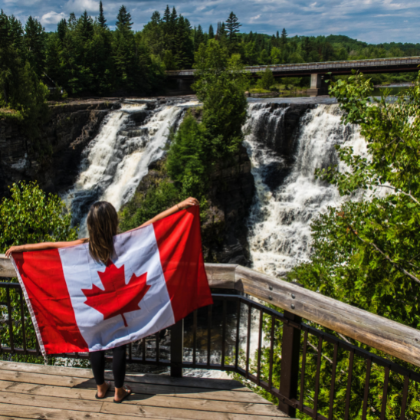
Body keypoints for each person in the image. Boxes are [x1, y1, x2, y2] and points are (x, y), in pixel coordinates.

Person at [6, 196, 199, 403]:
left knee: (95, 344)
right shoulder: (125, 242)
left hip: (95, 309)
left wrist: (22, 248)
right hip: (121, 305)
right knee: (119, 345)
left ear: (90, 225)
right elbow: (152, 224)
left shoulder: (84, 246)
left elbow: (53, 248)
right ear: (113, 222)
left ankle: (100, 388)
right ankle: (118, 391)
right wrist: (180, 206)